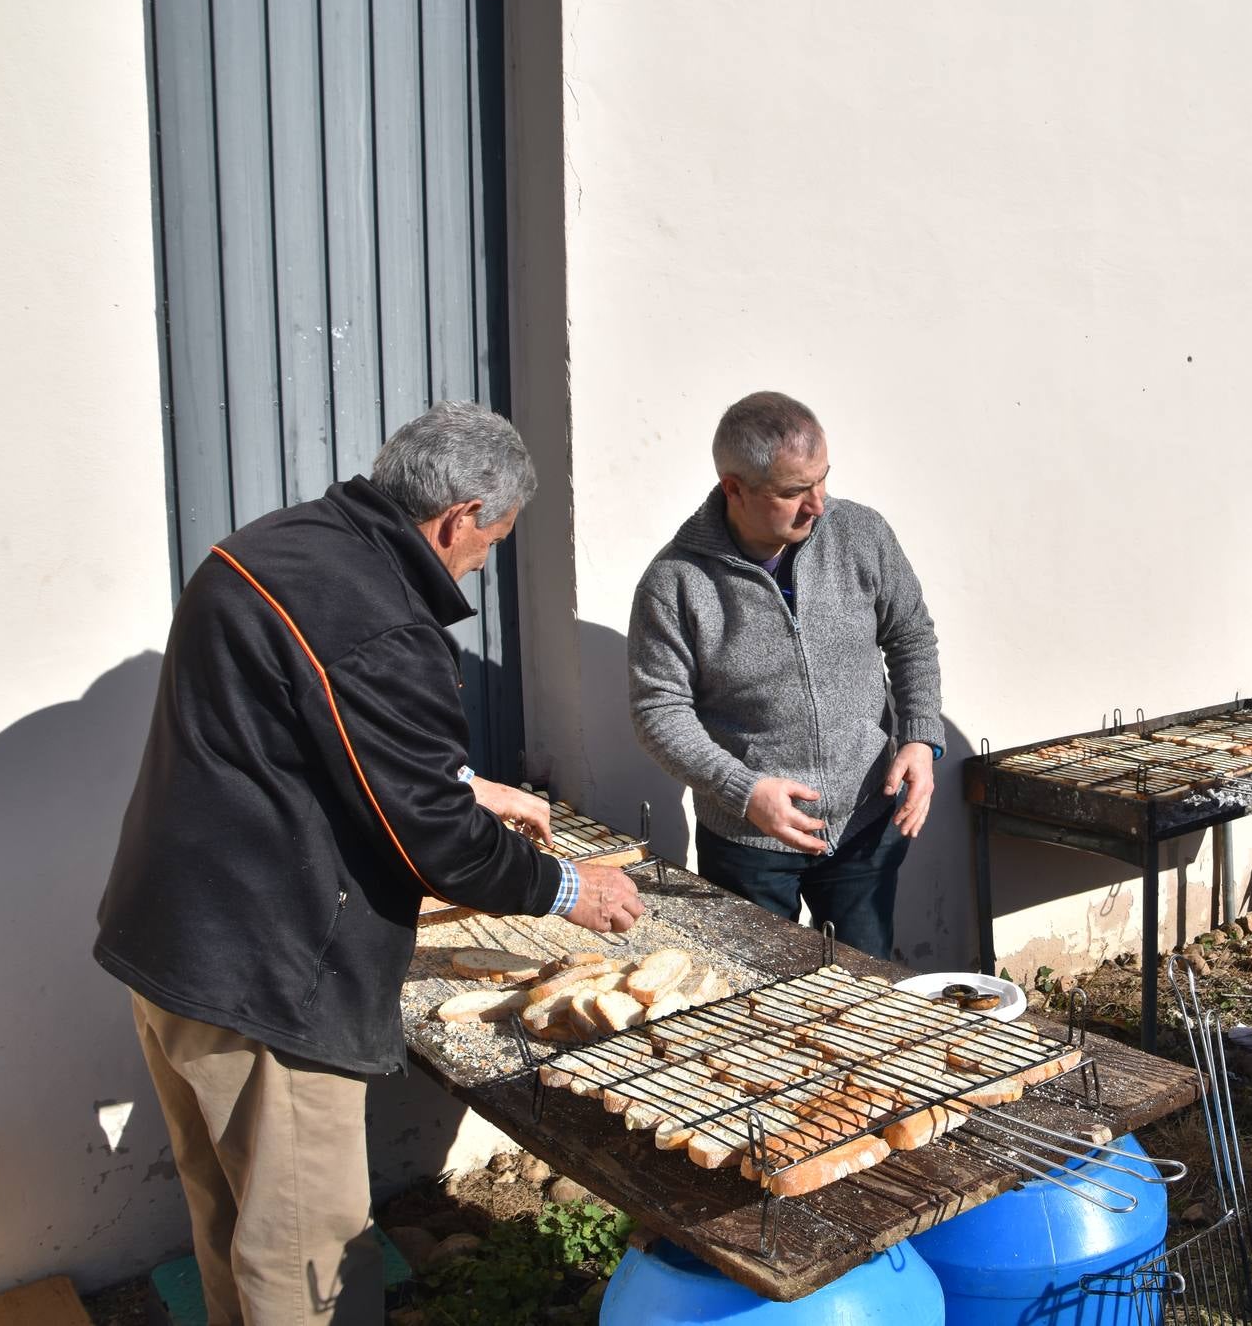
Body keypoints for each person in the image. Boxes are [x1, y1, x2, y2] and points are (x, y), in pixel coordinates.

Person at [95, 403, 646, 1324]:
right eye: (493, 542)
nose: (482, 564)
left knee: (230, 1218)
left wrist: (464, 778)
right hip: (265, 980)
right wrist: (566, 887)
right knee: (303, 1258)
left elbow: (302, 729)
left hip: (168, 944)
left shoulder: (273, 547)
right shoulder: (381, 620)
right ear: (461, 515)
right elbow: (437, 844)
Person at [629, 391, 942, 960]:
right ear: (735, 488)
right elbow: (658, 712)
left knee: (865, 999)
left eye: (822, 479)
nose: (818, 504)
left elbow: (911, 635)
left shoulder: (862, 535)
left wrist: (920, 736)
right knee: (760, 1010)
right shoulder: (674, 582)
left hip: (865, 826)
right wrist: (743, 791)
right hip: (748, 841)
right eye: (794, 491)